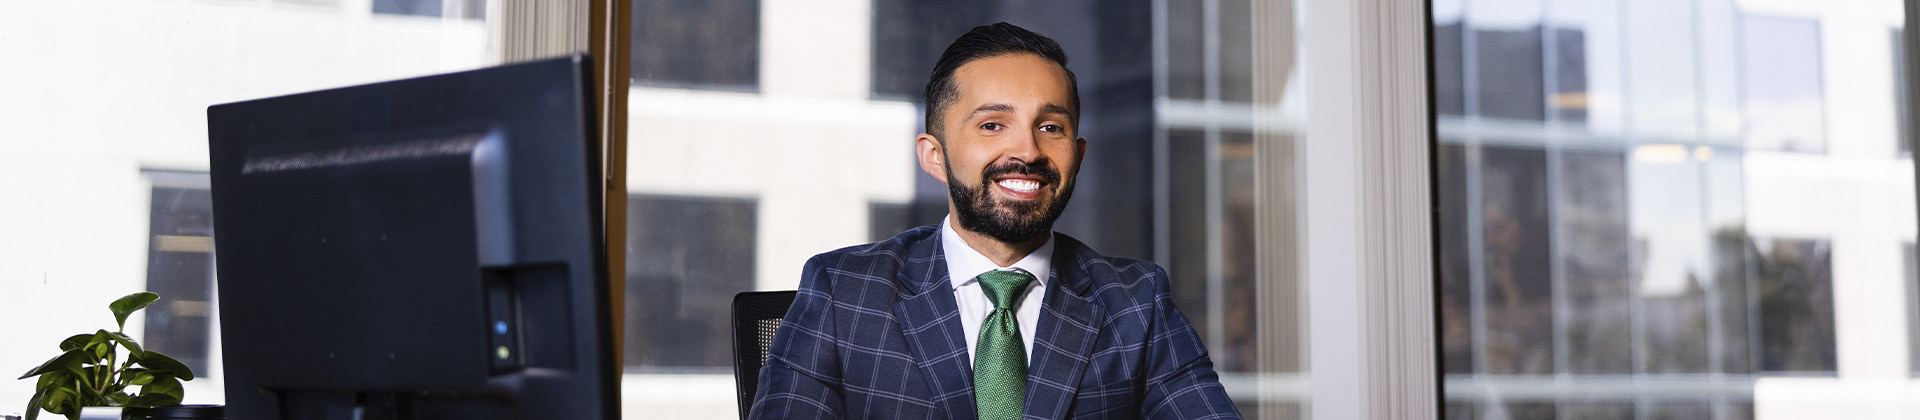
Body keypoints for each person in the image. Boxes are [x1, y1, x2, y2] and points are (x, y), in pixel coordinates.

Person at [750, 22, 1241, 420]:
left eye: (1051, 127)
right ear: (935, 156)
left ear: (1078, 153)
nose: (1028, 150)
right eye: (992, 125)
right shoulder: (844, 292)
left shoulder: (1137, 302)